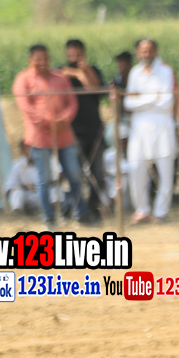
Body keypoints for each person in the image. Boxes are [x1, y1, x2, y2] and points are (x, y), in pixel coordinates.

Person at [11, 43, 86, 226]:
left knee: (74, 174)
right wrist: (49, 122)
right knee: (44, 179)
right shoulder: (23, 79)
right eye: (38, 59)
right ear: (30, 60)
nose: (42, 62)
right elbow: (26, 107)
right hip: (40, 137)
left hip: (64, 135)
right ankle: (49, 217)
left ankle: (81, 214)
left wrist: (64, 120)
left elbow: (72, 102)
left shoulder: (60, 77)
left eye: (45, 58)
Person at [124, 38, 179, 223]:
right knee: (135, 168)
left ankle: (161, 211)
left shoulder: (165, 71)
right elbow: (128, 103)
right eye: (143, 51)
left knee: (165, 172)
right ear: (138, 53)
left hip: (162, 127)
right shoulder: (135, 72)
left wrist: (141, 99)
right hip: (139, 128)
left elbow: (166, 103)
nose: (146, 55)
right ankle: (142, 210)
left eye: (149, 51)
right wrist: (153, 98)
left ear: (155, 51)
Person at [57, 39, 106, 221]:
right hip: (72, 131)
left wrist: (85, 72)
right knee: (73, 173)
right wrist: (76, 73)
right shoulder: (61, 72)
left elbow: (96, 90)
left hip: (94, 129)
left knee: (97, 173)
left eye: (78, 54)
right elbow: (59, 76)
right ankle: (73, 207)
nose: (75, 58)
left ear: (84, 54)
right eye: (71, 55)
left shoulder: (93, 70)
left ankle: (93, 207)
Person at [4, 141, 61, 216]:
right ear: (22, 151)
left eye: (31, 148)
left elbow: (59, 176)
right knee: (17, 191)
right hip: (29, 195)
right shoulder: (18, 165)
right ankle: (17, 213)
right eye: (26, 148)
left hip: (46, 193)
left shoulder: (49, 160)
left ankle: (54, 212)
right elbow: (9, 187)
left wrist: (45, 184)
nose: (29, 151)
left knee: (54, 189)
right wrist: (24, 187)